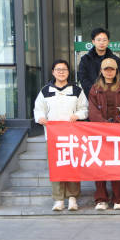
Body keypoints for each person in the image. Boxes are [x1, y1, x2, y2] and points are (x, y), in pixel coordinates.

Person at [34, 59, 88, 212]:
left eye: (64, 69)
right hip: (53, 136)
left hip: (72, 136)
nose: (61, 72)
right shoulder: (45, 91)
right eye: (58, 69)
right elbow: (38, 109)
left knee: (72, 166)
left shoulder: (76, 90)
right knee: (56, 166)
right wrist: (40, 118)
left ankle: (72, 198)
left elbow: (85, 109)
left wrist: (77, 115)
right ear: (53, 72)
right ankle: (58, 199)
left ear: (68, 72)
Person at [87, 58, 120, 210]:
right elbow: (92, 111)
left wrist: (116, 124)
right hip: (100, 131)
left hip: (118, 131)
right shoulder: (95, 89)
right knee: (99, 165)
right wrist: (104, 124)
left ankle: (118, 199)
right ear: (101, 71)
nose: (109, 72)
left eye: (112, 69)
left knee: (118, 165)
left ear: (116, 71)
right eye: (106, 69)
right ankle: (101, 199)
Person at [78, 27, 120, 96]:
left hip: (111, 96)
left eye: (104, 40)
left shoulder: (115, 59)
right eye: (98, 40)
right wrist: (94, 93)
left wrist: (109, 93)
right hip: (91, 96)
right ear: (93, 41)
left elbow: (118, 78)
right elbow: (83, 79)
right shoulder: (85, 59)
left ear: (108, 42)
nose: (101, 43)